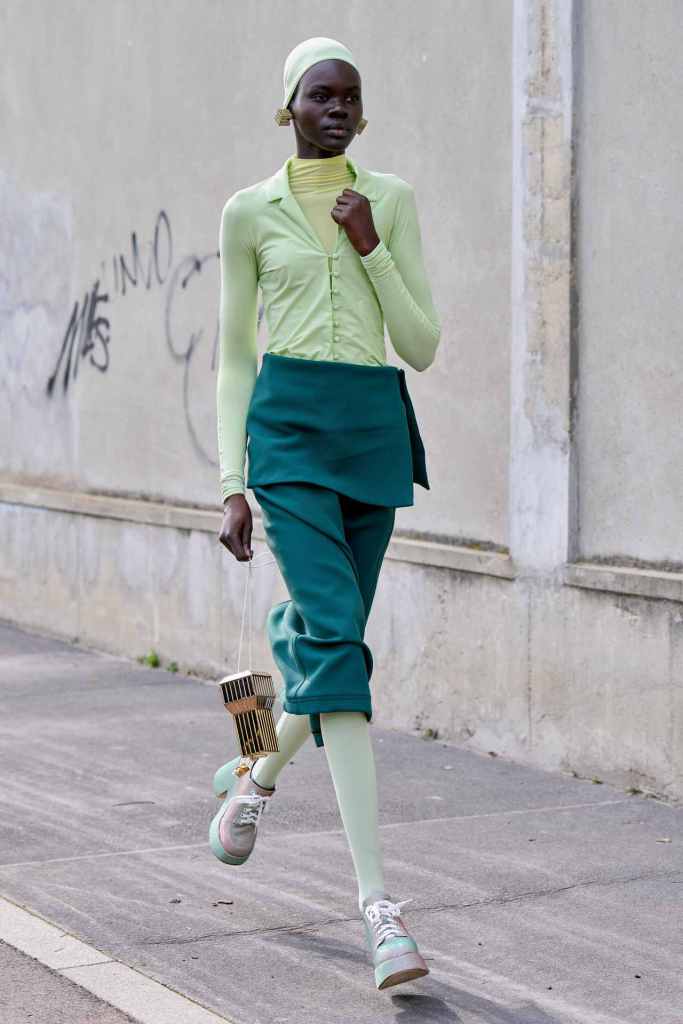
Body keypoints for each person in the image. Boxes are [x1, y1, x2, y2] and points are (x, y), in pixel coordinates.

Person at [210, 36, 441, 991]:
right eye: (319, 95)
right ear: (289, 108)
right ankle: (379, 909)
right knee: (339, 642)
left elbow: (420, 344)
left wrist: (370, 247)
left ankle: (253, 773)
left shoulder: (389, 201)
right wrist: (231, 479)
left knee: (327, 645)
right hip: (290, 436)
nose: (336, 107)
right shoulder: (248, 212)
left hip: (371, 429)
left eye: (349, 95)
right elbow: (234, 352)